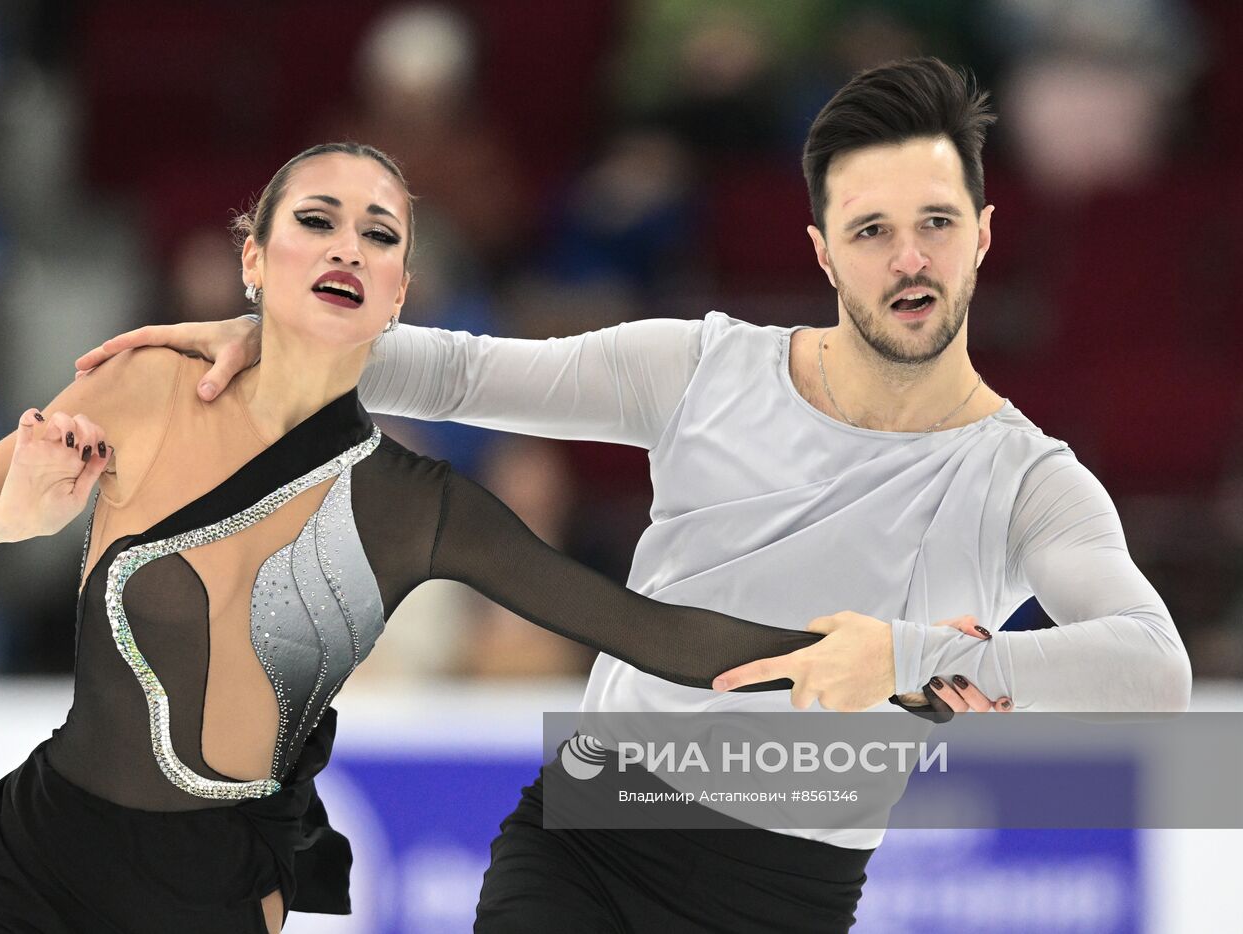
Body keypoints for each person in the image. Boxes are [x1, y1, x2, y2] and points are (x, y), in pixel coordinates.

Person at [76, 58, 1192, 934]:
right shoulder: (701, 369)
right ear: (820, 250)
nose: (908, 260)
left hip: (776, 894)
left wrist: (899, 658)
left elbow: (1150, 670)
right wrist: (275, 345)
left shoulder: (1024, 480)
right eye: (870, 230)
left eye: (935, 224)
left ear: (985, 235)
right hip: (588, 831)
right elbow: (465, 371)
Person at [0, 142, 955, 934]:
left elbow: (649, 630)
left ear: (401, 291)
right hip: (40, 852)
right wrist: (8, 514)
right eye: (316, 220)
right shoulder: (139, 383)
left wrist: (900, 662)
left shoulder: (411, 506)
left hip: (211, 891)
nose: (348, 246)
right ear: (253, 259)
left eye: (380, 234)